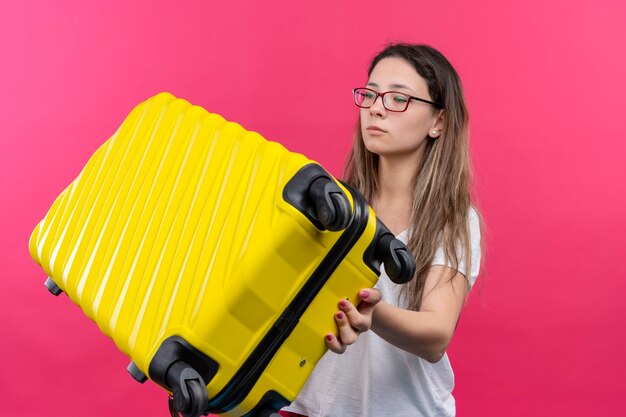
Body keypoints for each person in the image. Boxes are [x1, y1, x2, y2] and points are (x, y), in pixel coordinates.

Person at [279, 43, 483, 417]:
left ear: (439, 122)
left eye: (397, 99)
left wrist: (373, 313)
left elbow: (436, 335)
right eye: (370, 94)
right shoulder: (334, 205)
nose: (375, 108)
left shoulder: (452, 219)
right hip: (307, 409)